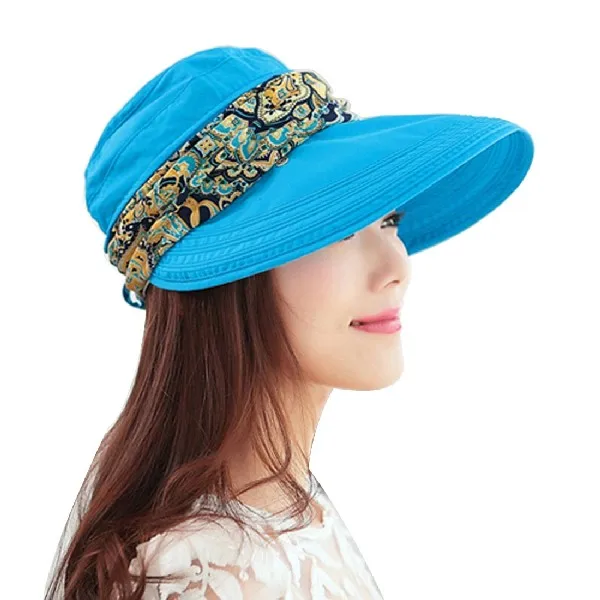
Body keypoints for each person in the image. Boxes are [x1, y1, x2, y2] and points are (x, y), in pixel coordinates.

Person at [43, 45, 535, 600]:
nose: (398, 268)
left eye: (389, 220)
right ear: (232, 279)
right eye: (340, 229)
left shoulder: (281, 511)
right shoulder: (215, 572)